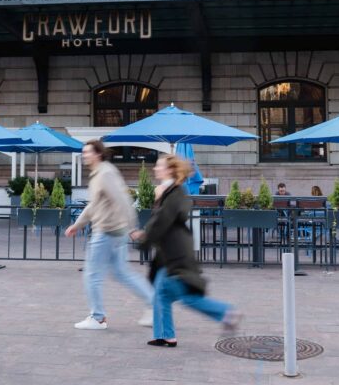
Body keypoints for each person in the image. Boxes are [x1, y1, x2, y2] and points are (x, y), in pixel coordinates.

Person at [132, 154, 239, 348]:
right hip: (168, 254)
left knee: (184, 295)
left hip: (175, 254)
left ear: (169, 170)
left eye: (159, 166)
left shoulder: (173, 192)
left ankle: (225, 312)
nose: (155, 169)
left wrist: (144, 239)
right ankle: (166, 335)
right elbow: (160, 221)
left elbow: (161, 222)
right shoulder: (169, 191)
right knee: (161, 294)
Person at [66, 139, 153, 330]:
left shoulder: (105, 173)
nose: (84, 155)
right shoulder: (99, 173)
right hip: (114, 231)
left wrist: (133, 227)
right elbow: (94, 204)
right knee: (122, 273)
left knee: (92, 275)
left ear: (97, 153)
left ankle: (97, 318)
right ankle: (156, 305)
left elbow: (122, 200)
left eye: (87, 152)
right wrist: (78, 224)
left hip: (107, 231)